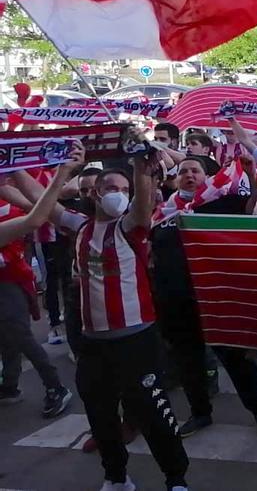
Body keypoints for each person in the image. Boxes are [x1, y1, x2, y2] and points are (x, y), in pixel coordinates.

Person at [52, 157, 191, 491]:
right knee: (100, 415)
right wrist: (15, 168)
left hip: (137, 341)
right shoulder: (81, 227)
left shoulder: (131, 227)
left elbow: (143, 208)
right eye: (111, 188)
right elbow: (37, 203)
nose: (118, 194)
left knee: (153, 412)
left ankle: (176, 479)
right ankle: (116, 476)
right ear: (95, 194)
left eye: (124, 189)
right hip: (93, 343)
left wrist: (142, 169)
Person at [151, 154, 257, 438]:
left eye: (195, 170)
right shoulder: (160, 213)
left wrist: (251, 176)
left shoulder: (220, 203)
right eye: (182, 171)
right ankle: (200, 413)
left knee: (235, 355)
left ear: (206, 176)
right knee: (188, 360)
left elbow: (250, 209)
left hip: (217, 297)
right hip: (176, 300)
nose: (188, 175)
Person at [0, 146, 84, 418]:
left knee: (18, 333)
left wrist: (61, 174)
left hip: (9, 278)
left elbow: (36, 212)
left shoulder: (8, 201)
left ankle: (55, 387)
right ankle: (10, 385)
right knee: (8, 335)